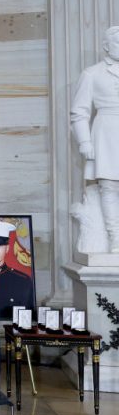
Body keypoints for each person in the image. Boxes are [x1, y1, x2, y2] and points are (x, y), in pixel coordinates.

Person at [71, 26, 119, 252]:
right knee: (108, 186)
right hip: (106, 132)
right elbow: (79, 112)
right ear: (106, 46)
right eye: (117, 42)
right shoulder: (92, 73)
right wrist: (85, 142)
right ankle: (115, 238)